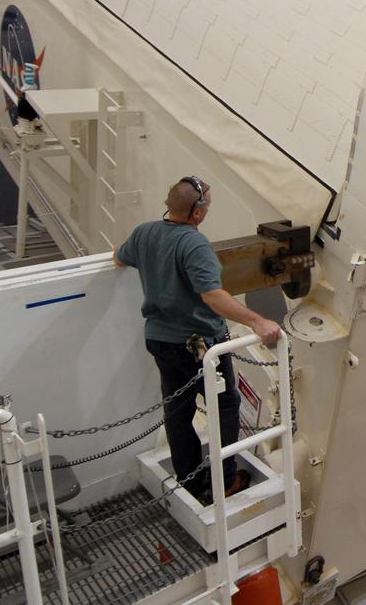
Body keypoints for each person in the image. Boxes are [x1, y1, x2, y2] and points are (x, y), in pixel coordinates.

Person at [114, 176, 282, 503]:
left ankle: (190, 481)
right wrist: (257, 321)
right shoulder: (194, 244)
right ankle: (225, 481)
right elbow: (213, 296)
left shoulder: (144, 233)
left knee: (178, 412)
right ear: (197, 213)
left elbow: (119, 258)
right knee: (226, 405)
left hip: (160, 340)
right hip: (200, 346)